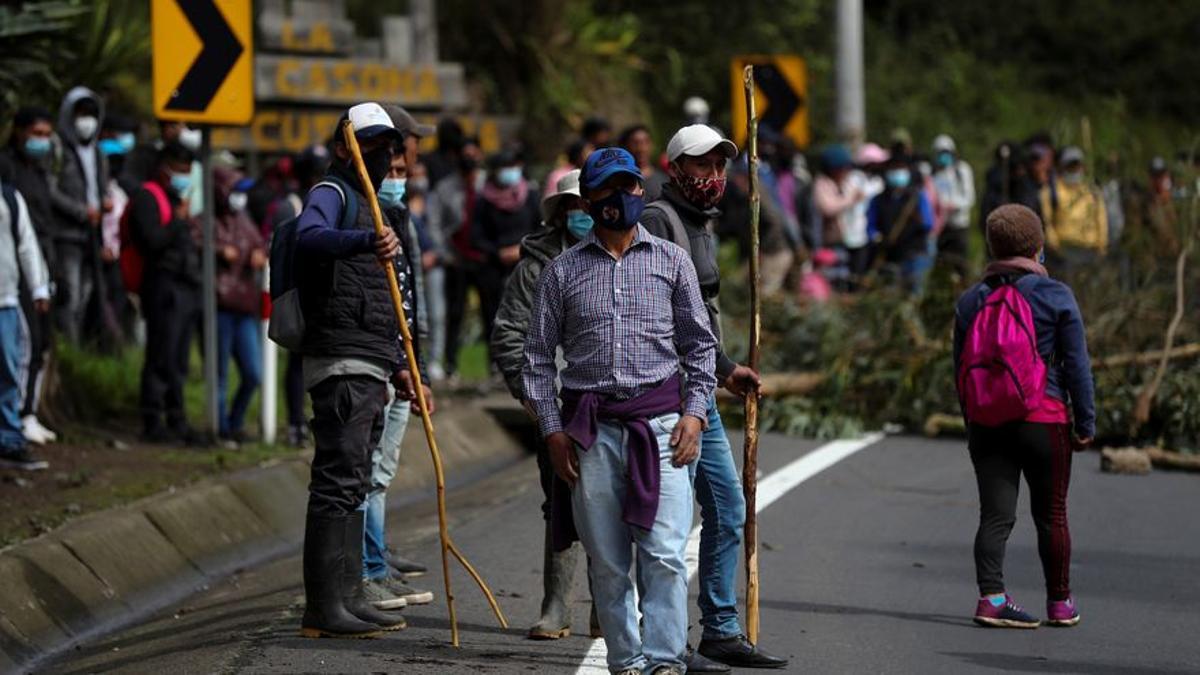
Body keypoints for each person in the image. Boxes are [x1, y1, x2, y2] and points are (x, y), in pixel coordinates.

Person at [522, 147, 717, 675]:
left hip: (662, 428)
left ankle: (665, 660)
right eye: (607, 191)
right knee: (607, 562)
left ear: (640, 191)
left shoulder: (671, 261)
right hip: (591, 433)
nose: (620, 199)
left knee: (666, 556)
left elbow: (700, 347)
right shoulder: (562, 271)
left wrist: (695, 413)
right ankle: (627, 660)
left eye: (629, 187)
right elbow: (537, 360)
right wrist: (553, 431)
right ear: (589, 200)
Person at [641, 125, 789, 670]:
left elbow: (699, 315)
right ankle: (664, 639)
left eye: (721, 166)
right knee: (671, 523)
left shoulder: (703, 221)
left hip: (698, 389)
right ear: (675, 167)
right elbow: (665, 316)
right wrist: (714, 372)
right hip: (669, 397)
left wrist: (725, 370)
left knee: (729, 508)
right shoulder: (659, 221)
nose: (713, 176)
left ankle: (721, 629)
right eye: (702, 166)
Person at [293, 102, 412, 638]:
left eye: (390, 144)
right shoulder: (333, 193)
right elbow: (309, 236)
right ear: (344, 147)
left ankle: (350, 594)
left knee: (357, 479)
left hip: (371, 357)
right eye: (372, 144)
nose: (384, 154)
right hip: (340, 356)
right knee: (338, 480)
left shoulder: (374, 203)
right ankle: (324, 606)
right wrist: (364, 239)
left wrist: (400, 364)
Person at [954, 204, 1094, 629]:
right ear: (1038, 246)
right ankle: (1060, 603)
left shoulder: (970, 300)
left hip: (987, 423)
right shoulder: (1056, 295)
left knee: (994, 515)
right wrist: (1085, 423)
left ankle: (992, 598)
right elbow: (1077, 365)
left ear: (993, 246)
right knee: (1051, 513)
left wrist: (972, 422)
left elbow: (959, 368)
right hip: (1044, 418)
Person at [491, 169, 599, 641]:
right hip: (555, 404)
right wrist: (533, 396)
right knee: (560, 501)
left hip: (611, 400)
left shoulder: (626, 258)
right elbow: (509, 334)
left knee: (612, 504)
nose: (581, 216)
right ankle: (557, 605)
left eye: (587, 207)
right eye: (572, 208)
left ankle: (609, 605)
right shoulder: (534, 268)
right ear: (560, 215)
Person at [358, 103, 436, 610]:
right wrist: (396, 363)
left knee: (381, 472)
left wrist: (418, 366)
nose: (401, 173)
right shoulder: (359, 216)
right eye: (395, 165)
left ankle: (376, 562)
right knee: (363, 473)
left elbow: (409, 298)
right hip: (377, 361)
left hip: (401, 359)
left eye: (405, 170)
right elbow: (375, 301)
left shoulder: (398, 215)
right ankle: (366, 569)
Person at [128, 141, 202, 444]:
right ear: (164, 168)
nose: (184, 175)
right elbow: (151, 242)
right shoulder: (148, 197)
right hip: (162, 285)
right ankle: (153, 420)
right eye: (179, 169)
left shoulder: (175, 199)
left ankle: (176, 418)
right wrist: (178, 222)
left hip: (184, 286)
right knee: (161, 355)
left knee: (178, 359)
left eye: (188, 170)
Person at [0, 107, 59, 445]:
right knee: (19, 353)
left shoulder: (26, 183)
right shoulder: (11, 173)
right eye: (36, 133)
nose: (42, 141)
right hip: (11, 287)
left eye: (45, 134)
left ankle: (23, 418)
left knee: (28, 350)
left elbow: (29, 244)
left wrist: (40, 283)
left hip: (18, 284)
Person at [270, 144, 330, 448]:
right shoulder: (290, 206)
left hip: (324, 296)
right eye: (313, 173)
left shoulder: (331, 201)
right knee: (296, 363)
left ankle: (313, 420)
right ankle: (295, 422)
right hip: (298, 295)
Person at [50, 86, 109, 344]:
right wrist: (81, 211)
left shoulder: (98, 152)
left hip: (93, 234)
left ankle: (81, 348)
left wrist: (104, 204)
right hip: (67, 233)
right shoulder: (58, 149)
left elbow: (101, 186)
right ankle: (67, 348)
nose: (87, 121)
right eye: (81, 113)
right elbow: (50, 190)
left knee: (87, 294)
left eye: (91, 114)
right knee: (69, 294)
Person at [470, 150, 540, 370]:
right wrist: (497, 252)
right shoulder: (484, 200)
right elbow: (476, 236)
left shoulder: (530, 196)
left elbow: (541, 229)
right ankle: (496, 364)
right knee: (493, 316)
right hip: (493, 268)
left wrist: (522, 249)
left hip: (525, 264)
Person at [0, 178, 51, 471]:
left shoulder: (10, 197)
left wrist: (38, 287)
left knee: (9, 369)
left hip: (5, 299)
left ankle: (9, 438)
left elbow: (27, 244)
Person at [213, 169, 266, 445]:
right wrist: (219, 252)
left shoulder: (245, 221)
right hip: (218, 307)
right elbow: (196, 244)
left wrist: (259, 253)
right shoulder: (207, 222)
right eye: (234, 191)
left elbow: (259, 244)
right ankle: (220, 429)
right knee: (218, 373)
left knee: (253, 373)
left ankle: (235, 423)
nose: (239, 198)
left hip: (245, 307)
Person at [428, 136, 486, 380]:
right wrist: (444, 253)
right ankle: (450, 364)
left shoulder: (487, 185)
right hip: (457, 258)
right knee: (455, 312)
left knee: (491, 314)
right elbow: (435, 224)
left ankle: (496, 368)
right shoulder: (445, 187)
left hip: (483, 258)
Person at [867, 154, 935, 294]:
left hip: (914, 254)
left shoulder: (917, 197)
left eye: (901, 169)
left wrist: (917, 218)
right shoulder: (878, 200)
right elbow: (870, 228)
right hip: (890, 256)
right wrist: (877, 238)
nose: (897, 173)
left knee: (914, 293)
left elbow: (928, 224)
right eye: (894, 169)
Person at [1040, 146, 1108, 278]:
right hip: (1065, 252)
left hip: (1091, 251)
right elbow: (1047, 222)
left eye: (1077, 165)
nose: (1074, 169)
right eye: (1070, 165)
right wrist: (1055, 246)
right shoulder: (1051, 191)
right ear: (1062, 167)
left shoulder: (1092, 190)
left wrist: (1102, 246)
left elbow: (1101, 219)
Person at [813, 144, 867, 291]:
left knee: (847, 280)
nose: (846, 172)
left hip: (848, 242)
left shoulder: (845, 183)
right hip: (829, 244)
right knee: (831, 282)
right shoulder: (821, 185)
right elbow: (829, 208)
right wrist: (851, 200)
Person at [843, 143, 888, 286]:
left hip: (870, 234)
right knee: (852, 272)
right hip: (852, 232)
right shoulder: (853, 179)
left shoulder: (877, 181)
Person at [930, 134, 976, 276]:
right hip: (942, 226)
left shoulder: (961, 170)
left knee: (959, 264)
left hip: (959, 225)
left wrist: (954, 205)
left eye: (946, 152)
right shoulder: (935, 173)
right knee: (942, 264)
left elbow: (970, 198)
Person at [619, 125, 668, 201]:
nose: (641, 148)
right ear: (626, 146)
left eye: (646, 142)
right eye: (635, 143)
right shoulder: (618, 182)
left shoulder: (664, 181)